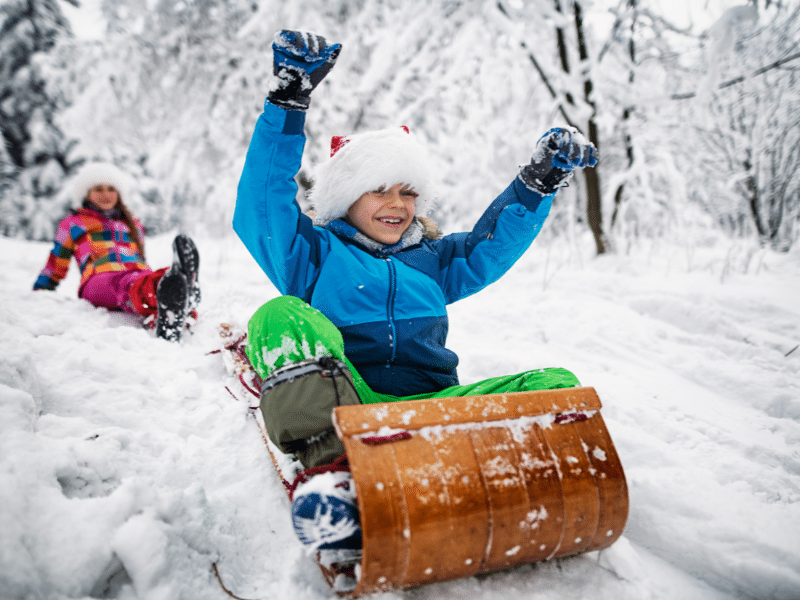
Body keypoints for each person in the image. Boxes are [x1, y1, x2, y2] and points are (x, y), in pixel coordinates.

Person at [234, 30, 598, 552]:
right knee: (279, 315)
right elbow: (263, 204)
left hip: (435, 408)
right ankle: (337, 478)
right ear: (343, 197)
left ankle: (542, 483)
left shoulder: (435, 259)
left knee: (555, 383)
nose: (397, 203)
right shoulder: (312, 255)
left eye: (408, 190)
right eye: (378, 188)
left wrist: (536, 182)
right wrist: (289, 99)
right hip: (349, 411)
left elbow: (490, 245)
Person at [34, 162, 201, 342]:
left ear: (118, 193)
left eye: (111, 189)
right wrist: (41, 290)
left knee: (153, 278)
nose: (106, 194)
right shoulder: (74, 222)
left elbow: (141, 257)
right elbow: (56, 261)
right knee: (127, 284)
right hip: (98, 279)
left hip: (137, 272)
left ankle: (176, 299)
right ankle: (175, 291)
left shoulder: (132, 223)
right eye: (98, 189)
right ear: (86, 193)